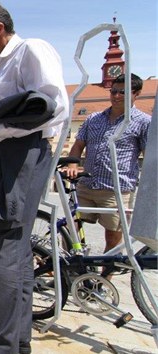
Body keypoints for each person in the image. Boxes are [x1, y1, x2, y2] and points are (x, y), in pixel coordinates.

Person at [0, 2, 69, 353]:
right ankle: (13, 337)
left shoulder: (30, 50)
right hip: (9, 156)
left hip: (20, 156)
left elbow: (52, 106)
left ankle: (1, 346)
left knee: (4, 250)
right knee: (17, 253)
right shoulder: (2, 62)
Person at [66, 73, 150, 254]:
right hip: (86, 185)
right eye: (113, 91)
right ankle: (72, 271)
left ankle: (104, 279)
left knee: (113, 236)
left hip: (116, 190)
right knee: (70, 228)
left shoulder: (143, 122)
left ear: (137, 93)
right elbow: (78, 145)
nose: (116, 96)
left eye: (123, 92)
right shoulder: (94, 118)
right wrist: (73, 165)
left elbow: (147, 154)